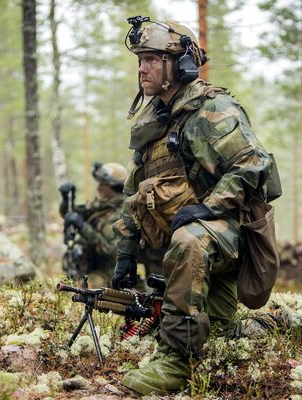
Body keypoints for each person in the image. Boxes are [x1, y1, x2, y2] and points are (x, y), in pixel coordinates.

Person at [111, 18, 275, 395]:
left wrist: (209, 206)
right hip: (188, 239)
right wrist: (124, 256)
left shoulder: (212, 110)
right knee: (222, 332)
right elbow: (132, 191)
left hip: (228, 235)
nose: (142, 68)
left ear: (181, 64)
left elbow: (255, 164)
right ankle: (280, 323)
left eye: (152, 58)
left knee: (188, 240)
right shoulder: (153, 119)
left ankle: (176, 360)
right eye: (140, 60)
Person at [58, 162, 128, 287]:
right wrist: (67, 200)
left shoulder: (122, 214)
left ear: (113, 187)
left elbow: (109, 250)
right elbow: (72, 214)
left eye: (103, 184)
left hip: (110, 273)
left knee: (83, 288)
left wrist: (83, 227)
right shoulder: (101, 205)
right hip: (91, 267)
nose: (98, 187)